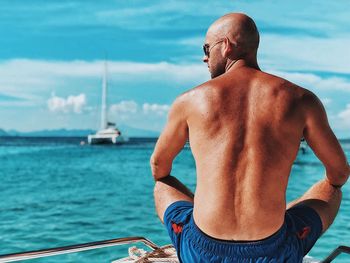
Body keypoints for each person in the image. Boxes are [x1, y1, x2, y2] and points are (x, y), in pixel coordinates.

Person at [150, 13, 349, 262]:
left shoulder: (190, 101)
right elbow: (339, 173)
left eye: (206, 48)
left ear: (226, 46)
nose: (204, 57)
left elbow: (159, 168)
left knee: (163, 184)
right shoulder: (301, 99)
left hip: (201, 251)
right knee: (333, 188)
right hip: (274, 251)